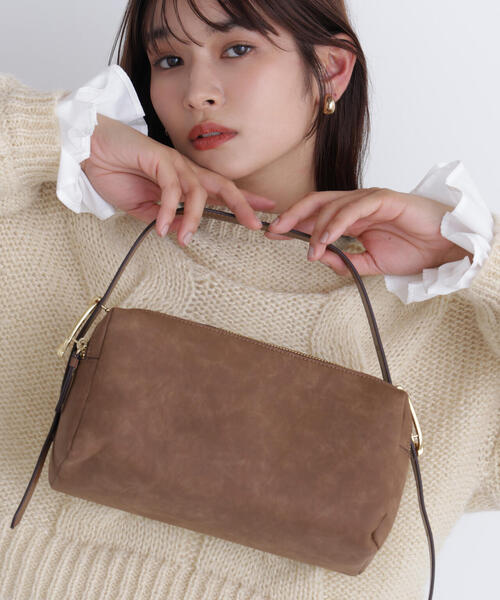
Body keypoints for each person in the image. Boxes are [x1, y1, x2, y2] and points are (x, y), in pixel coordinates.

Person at [1, 0, 498, 599]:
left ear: (331, 71)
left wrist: (474, 253)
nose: (196, 92)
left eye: (237, 49)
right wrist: (63, 138)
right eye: (169, 60)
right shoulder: (47, 227)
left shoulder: (454, 330)